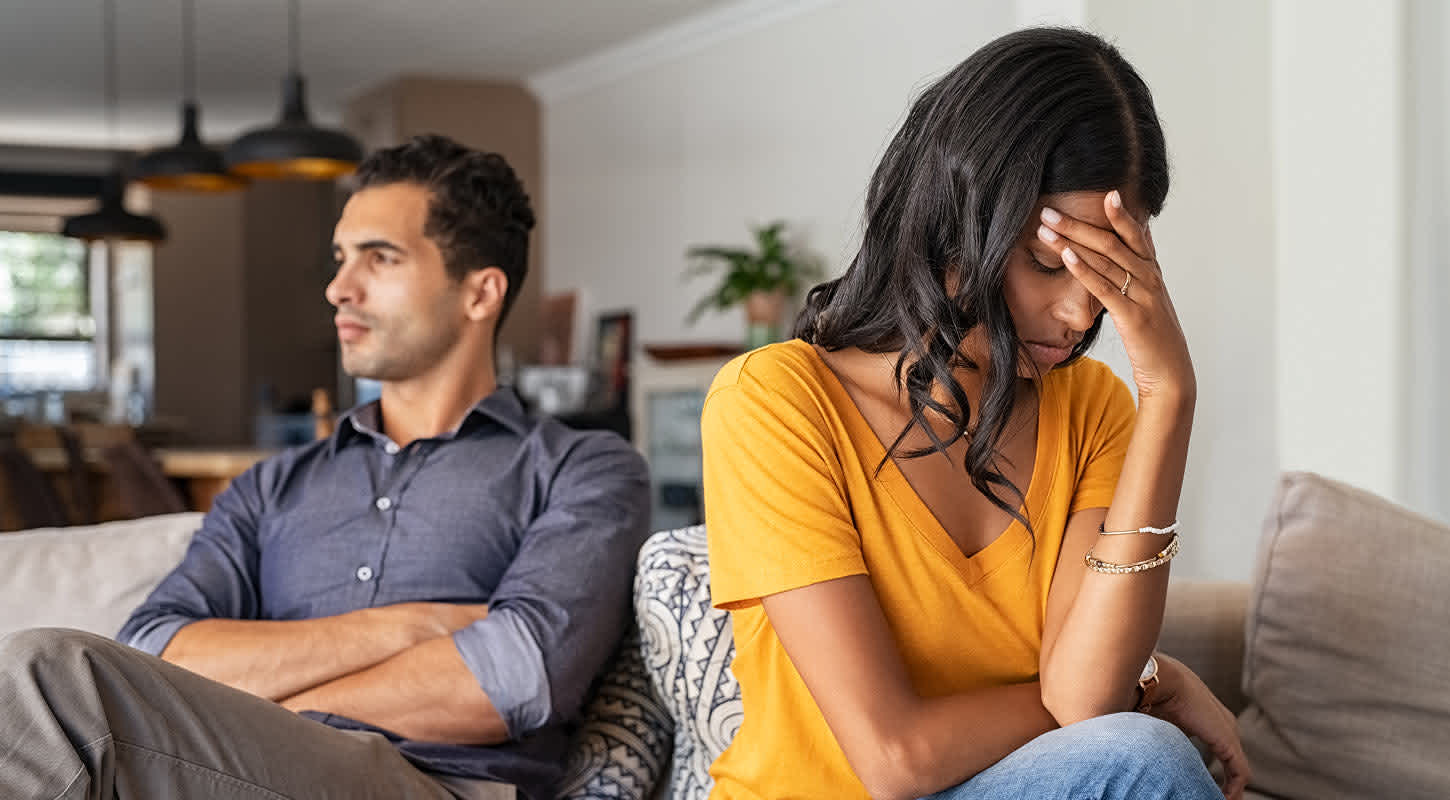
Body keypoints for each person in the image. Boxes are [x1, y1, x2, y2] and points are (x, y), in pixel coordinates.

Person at [0, 135, 650, 800]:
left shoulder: (584, 469)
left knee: (49, 674)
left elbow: (514, 676)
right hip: (243, 773)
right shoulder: (272, 487)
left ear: (480, 293)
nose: (339, 288)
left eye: (380, 257)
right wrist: (412, 626)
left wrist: (259, 705)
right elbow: (155, 647)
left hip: (441, 785)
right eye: (342, 258)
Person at [701, 27, 1250, 800]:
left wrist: (1170, 394)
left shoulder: (1091, 408)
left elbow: (1083, 701)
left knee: (1139, 754)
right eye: (1047, 263)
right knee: (1144, 756)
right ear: (951, 222)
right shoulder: (774, 403)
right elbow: (895, 759)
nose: (1079, 312)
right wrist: (1145, 686)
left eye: (1109, 272)